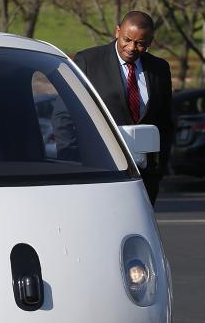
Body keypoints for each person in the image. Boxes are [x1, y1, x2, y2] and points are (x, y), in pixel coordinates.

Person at [73, 11, 173, 204]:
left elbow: (165, 121)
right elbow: (66, 116)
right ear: (117, 31)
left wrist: (160, 167)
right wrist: (74, 163)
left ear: (150, 41)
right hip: (100, 170)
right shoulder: (88, 62)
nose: (132, 48)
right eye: (127, 39)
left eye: (140, 43)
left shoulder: (159, 68)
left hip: (145, 175)